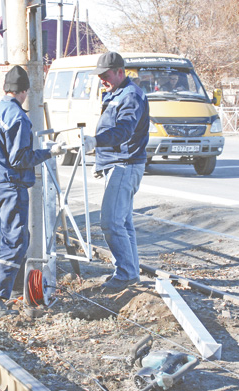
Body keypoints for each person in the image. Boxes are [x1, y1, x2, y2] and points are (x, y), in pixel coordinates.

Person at [0, 65, 66, 316]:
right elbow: (19, 159)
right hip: (11, 184)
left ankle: (11, 289)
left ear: (6, 88)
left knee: (11, 239)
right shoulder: (18, 117)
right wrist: (49, 152)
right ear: (24, 91)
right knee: (16, 242)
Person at [85, 52, 150, 293]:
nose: (102, 80)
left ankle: (125, 274)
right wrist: (100, 161)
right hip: (118, 163)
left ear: (120, 72)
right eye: (100, 76)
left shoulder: (131, 96)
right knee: (123, 222)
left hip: (125, 164)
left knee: (111, 222)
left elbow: (123, 131)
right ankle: (129, 272)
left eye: (106, 75)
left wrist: (95, 142)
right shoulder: (118, 93)